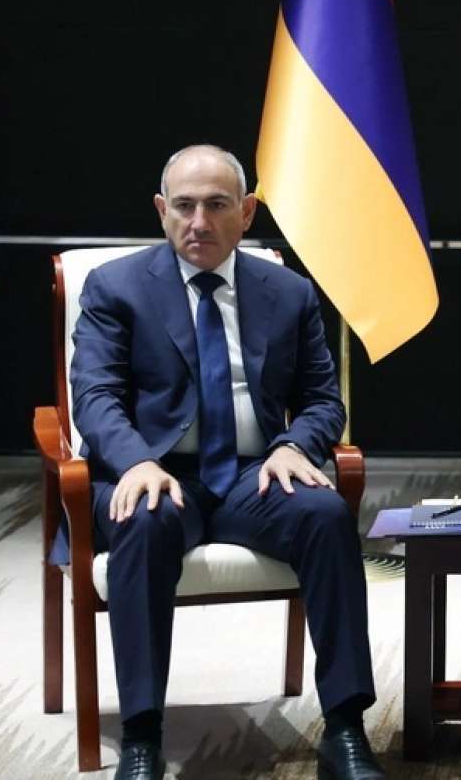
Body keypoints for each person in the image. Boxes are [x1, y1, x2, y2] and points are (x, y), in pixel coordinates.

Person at [66, 145, 384, 780]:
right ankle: (142, 738)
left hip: (252, 475)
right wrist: (134, 461)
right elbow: (94, 395)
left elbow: (323, 400)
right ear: (161, 210)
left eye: (216, 205)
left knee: (326, 515)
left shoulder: (288, 292)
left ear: (247, 212)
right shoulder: (116, 287)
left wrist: (294, 446)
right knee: (145, 521)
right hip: (154, 474)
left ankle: (345, 729)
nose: (199, 222)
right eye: (184, 206)